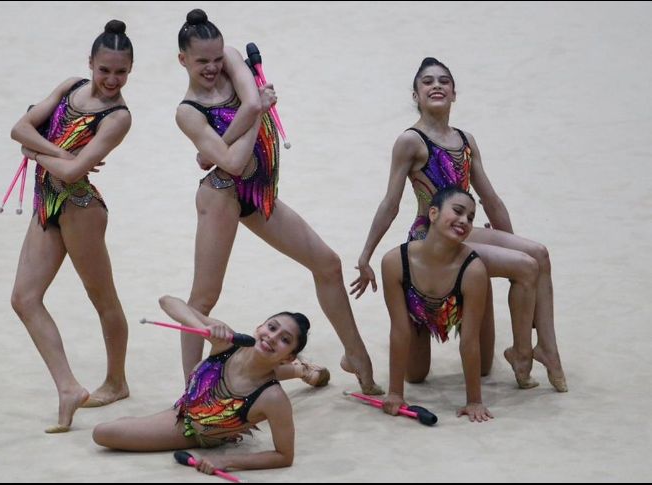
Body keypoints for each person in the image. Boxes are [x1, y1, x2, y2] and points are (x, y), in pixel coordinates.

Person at [173, 9, 382, 394]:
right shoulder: (187, 112)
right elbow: (234, 161)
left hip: (259, 194)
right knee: (204, 296)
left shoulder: (232, 56)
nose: (213, 67)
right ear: (183, 59)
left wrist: (222, 140)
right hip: (222, 195)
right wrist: (251, 114)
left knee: (328, 264)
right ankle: (191, 388)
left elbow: (251, 102)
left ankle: (357, 356)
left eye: (217, 59)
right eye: (202, 61)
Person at [352, 57, 566, 392]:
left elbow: (491, 200)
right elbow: (389, 203)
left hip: (461, 233)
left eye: (444, 81)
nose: (436, 85)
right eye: (427, 81)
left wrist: (503, 244)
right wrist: (366, 255)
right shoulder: (411, 141)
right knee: (417, 375)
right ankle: (517, 349)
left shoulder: (466, 140)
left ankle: (538, 349)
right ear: (415, 95)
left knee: (537, 255)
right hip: (430, 237)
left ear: (454, 93)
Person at [9, 20, 134, 433]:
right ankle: (68, 387)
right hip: (46, 202)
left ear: (130, 70)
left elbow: (75, 170)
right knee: (24, 299)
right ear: (91, 63)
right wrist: (52, 150)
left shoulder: (118, 117)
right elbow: (18, 128)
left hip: (81, 208)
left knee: (103, 300)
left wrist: (34, 149)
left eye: (121, 72)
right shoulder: (69, 87)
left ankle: (117, 381)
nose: (112, 79)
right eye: (105, 70)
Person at [93, 295, 310, 473]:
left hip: (192, 429)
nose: (272, 337)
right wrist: (203, 327)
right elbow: (167, 301)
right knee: (257, 367)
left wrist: (228, 462)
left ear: (289, 357)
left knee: (103, 433)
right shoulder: (227, 341)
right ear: (259, 326)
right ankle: (304, 370)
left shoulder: (273, 398)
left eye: (285, 340)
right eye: (272, 328)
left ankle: (306, 370)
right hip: (185, 406)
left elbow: (284, 456)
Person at [382, 187, 502, 422]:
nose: (464, 221)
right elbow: (399, 330)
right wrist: (395, 393)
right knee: (415, 376)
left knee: (484, 370)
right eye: (457, 211)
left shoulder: (473, 270)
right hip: (419, 316)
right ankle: (426, 329)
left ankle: (483, 303)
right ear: (433, 213)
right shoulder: (394, 261)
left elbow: (469, 341)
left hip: (461, 308)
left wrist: (474, 400)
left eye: (470, 218)